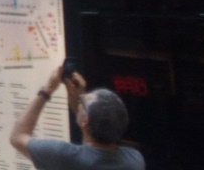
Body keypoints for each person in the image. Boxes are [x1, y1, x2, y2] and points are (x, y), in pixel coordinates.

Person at [9, 65, 142, 170]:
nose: (80, 99)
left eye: (83, 102)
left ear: (85, 119)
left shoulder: (64, 156)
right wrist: (80, 101)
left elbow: (18, 137)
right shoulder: (134, 160)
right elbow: (91, 127)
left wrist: (46, 90)